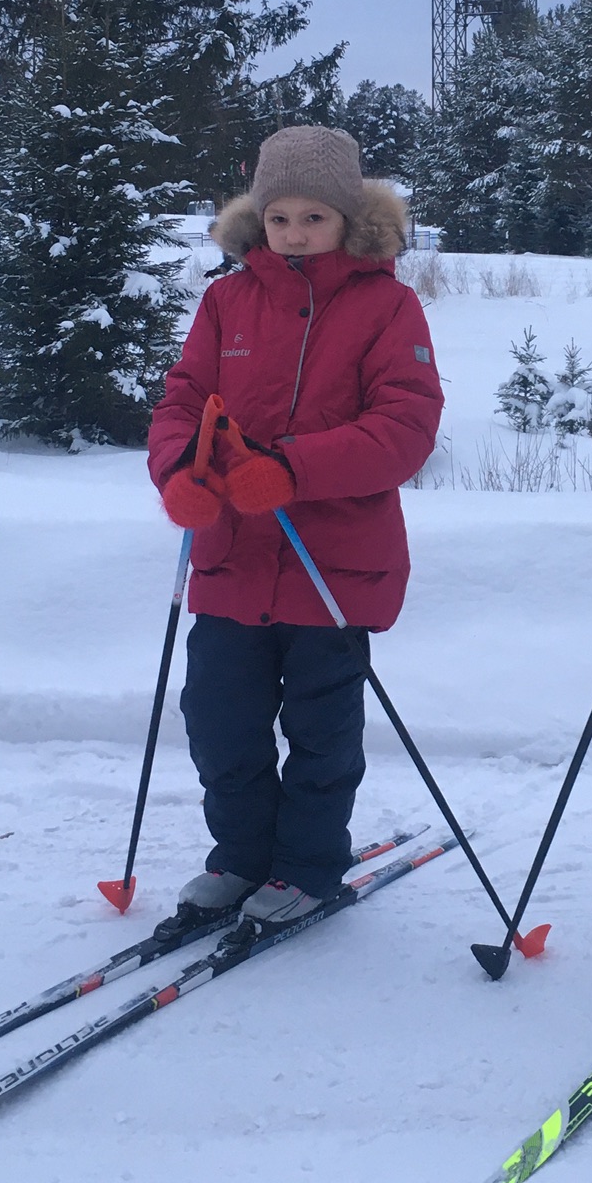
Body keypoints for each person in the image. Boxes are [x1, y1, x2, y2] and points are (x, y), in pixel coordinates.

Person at [147, 126, 443, 930]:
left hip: (332, 567)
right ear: (258, 220)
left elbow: (406, 427)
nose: (296, 233)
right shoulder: (226, 300)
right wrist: (180, 472)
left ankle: (309, 865)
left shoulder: (389, 305)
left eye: (315, 216)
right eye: (280, 218)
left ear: (350, 219)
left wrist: (290, 467)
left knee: (320, 733)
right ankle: (241, 856)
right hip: (230, 559)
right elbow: (180, 402)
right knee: (220, 722)